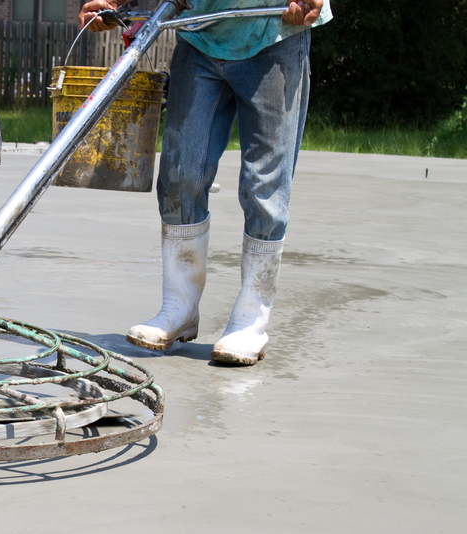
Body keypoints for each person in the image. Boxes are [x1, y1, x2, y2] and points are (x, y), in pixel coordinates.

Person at [79, 0, 332, 364]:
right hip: (200, 32)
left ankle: (250, 318)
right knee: (180, 173)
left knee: (264, 184)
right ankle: (178, 307)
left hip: (272, 29)